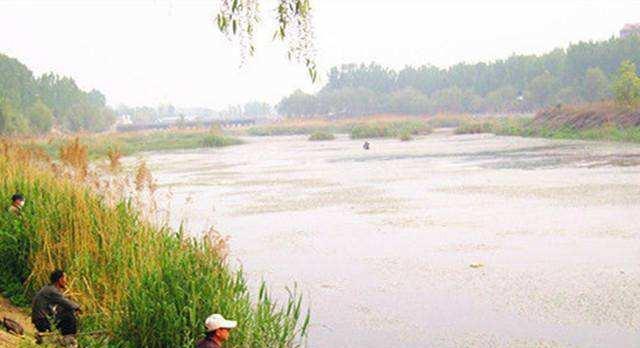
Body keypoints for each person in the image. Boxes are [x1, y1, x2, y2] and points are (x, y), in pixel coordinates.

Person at [32, 269, 81, 347]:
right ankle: (70, 341)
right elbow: (66, 303)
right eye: (65, 279)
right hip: (42, 322)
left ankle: (67, 338)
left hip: (40, 320)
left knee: (65, 311)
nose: (66, 281)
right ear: (60, 280)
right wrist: (78, 307)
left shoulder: (48, 288)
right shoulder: (52, 291)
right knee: (69, 314)